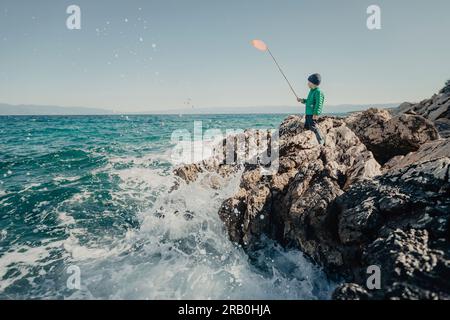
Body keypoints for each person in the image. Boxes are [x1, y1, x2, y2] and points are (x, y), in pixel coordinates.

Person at [297, 73, 325, 145]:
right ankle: (309, 142)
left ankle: (321, 141)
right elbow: (309, 101)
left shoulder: (318, 92)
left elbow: (319, 104)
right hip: (308, 113)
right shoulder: (311, 91)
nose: (307, 84)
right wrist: (302, 100)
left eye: (309, 82)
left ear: (313, 83)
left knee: (314, 127)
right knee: (307, 127)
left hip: (312, 114)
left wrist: (316, 113)